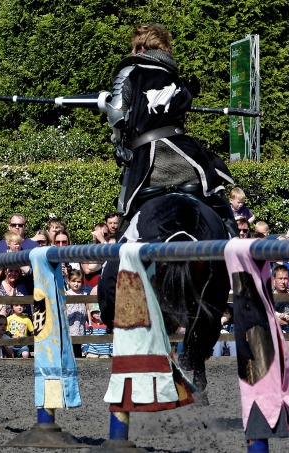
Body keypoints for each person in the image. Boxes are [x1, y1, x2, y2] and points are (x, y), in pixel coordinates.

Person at [98, 23, 236, 362]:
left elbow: (117, 113)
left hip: (150, 167)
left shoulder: (130, 69)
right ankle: (240, 268)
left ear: (139, 48)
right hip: (190, 164)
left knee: (124, 238)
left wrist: (110, 119)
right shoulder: (179, 79)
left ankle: (110, 304)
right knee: (222, 217)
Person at [65, 268, 89, 357]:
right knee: (70, 348)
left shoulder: (84, 294)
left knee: (78, 348)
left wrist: (88, 321)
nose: (76, 284)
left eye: (79, 281)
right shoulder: (66, 294)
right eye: (74, 281)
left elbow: (87, 309)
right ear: (68, 281)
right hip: (70, 326)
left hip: (80, 326)